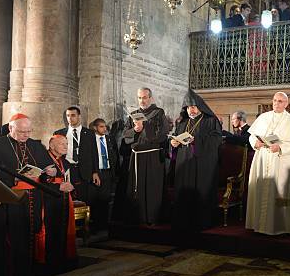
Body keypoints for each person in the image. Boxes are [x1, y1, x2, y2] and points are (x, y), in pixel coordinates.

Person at [0, 114, 53, 276]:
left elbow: (47, 171)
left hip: (32, 201)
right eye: (21, 131)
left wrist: (50, 172)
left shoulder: (35, 145)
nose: (26, 135)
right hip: (9, 203)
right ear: (11, 128)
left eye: (28, 131)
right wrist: (13, 180)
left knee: (30, 240)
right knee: (12, 242)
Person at [246, 92, 290, 235]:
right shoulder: (263, 117)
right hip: (263, 157)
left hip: (281, 160)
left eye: (280, 101)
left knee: (281, 191)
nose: (277, 103)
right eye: (275, 100)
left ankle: (282, 226)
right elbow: (252, 136)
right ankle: (257, 224)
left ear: (286, 104)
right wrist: (255, 143)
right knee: (260, 188)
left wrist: (281, 147)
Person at [171, 89, 221, 237]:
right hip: (185, 163)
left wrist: (196, 141)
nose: (190, 110)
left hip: (202, 165)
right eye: (187, 107)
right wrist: (174, 143)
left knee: (201, 191)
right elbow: (176, 139)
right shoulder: (183, 123)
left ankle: (201, 222)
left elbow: (216, 140)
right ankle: (183, 222)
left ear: (200, 106)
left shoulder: (211, 121)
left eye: (193, 107)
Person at [122, 87, 169, 225]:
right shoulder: (134, 114)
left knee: (152, 188)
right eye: (139, 98)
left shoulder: (159, 113)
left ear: (150, 98)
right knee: (137, 187)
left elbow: (162, 134)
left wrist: (145, 127)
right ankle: (137, 217)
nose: (142, 100)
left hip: (153, 156)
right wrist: (135, 130)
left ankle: (152, 217)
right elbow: (125, 135)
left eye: (144, 97)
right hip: (136, 156)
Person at [39, 135, 77, 275]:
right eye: (62, 144)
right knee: (51, 232)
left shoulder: (65, 162)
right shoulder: (43, 160)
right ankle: (50, 264)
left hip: (63, 201)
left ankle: (61, 261)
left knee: (62, 231)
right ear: (52, 145)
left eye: (66, 144)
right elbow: (40, 181)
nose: (66, 146)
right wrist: (58, 186)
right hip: (48, 201)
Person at [53, 106, 100, 203]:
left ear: (79, 116)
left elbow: (94, 153)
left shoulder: (90, 133)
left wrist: (95, 172)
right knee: (68, 199)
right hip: (67, 169)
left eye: (73, 115)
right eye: (68, 116)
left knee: (84, 199)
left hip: (84, 171)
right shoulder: (59, 133)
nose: (70, 118)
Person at [90, 118, 119, 231]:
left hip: (107, 172)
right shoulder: (91, 140)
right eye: (101, 126)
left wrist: (115, 172)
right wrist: (93, 171)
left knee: (106, 199)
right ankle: (95, 224)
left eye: (105, 126)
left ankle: (104, 224)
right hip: (97, 172)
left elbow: (114, 155)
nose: (104, 129)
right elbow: (90, 157)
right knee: (95, 200)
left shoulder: (109, 139)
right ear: (95, 127)